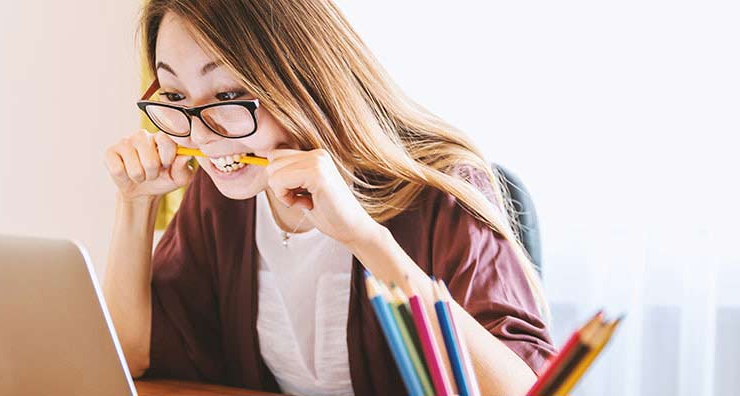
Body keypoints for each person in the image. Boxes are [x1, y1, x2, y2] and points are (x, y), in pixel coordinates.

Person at [102, 1, 555, 395]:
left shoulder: (441, 190)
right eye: (177, 95)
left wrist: (364, 238)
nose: (201, 136)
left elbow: (520, 390)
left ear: (303, 79)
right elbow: (130, 357)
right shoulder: (221, 196)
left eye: (228, 94)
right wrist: (136, 205)